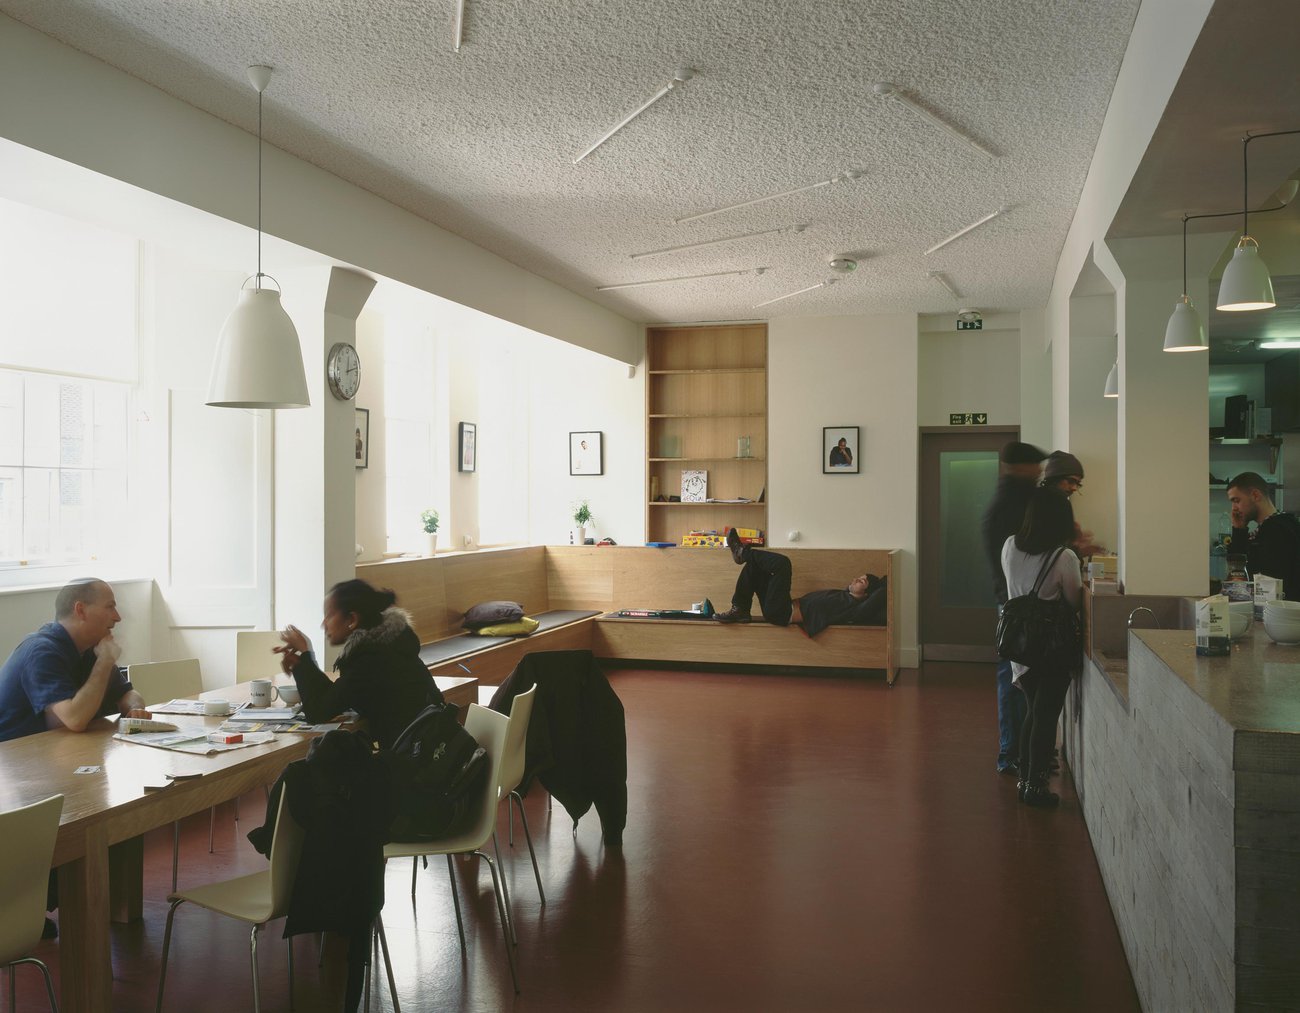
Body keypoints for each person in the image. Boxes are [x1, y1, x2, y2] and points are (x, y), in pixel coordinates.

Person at [276, 579, 443, 750]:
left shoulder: (371, 660)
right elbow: (335, 696)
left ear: (352, 619)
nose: (323, 624)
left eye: (329, 615)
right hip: (428, 750)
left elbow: (318, 712)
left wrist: (305, 657)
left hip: (410, 759)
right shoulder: (389, 646)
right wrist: (303, 660)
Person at [1001, 489, 1082, 809]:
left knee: (1033, 710)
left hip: (1019, 644)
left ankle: (1025, 780)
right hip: (1050, 646)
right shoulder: (1064, 557)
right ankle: (1035, 786)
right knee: (1046, 715)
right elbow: (1074, 600)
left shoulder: (1009, 545)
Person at [0, 577, 148, 743]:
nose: (117, 617)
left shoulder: (90, 649)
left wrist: (135, 709)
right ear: (81, 610)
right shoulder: (41, 652)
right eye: (110, 607)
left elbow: (127, 693)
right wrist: (104, 662)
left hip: (57, 748)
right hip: (15, 753)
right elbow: (75, 719)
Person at [981, 441, 1046, 776]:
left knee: (1017, 676)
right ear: (1019, 467)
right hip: (1014, 601)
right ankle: (1011, 753)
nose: (1039, 471)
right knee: (1013, 677)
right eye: (1035, 465)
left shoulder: (1014, 499)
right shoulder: (1012, 504)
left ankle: (1021, 750)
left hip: (1013, 599)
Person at [713, 529, 887, 635]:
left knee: (783, 563)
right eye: (859, 577)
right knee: (754, 566)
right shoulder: (843, 595)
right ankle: (740, 609)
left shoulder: (852, 607)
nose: (856, 579)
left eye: (862, 581)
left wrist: (885, 584)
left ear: (866, 595)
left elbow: (881, 593)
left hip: (782, 612)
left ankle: (744, 553)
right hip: (781, 606)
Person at [1225, 471, 1300, 596]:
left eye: (1236, 500)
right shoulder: (1268, 527)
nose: (1234, 508)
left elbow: (1268, 584)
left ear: (1255, 495)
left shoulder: (1278, 529)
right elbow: (1236, 568)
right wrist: (1239, 529)